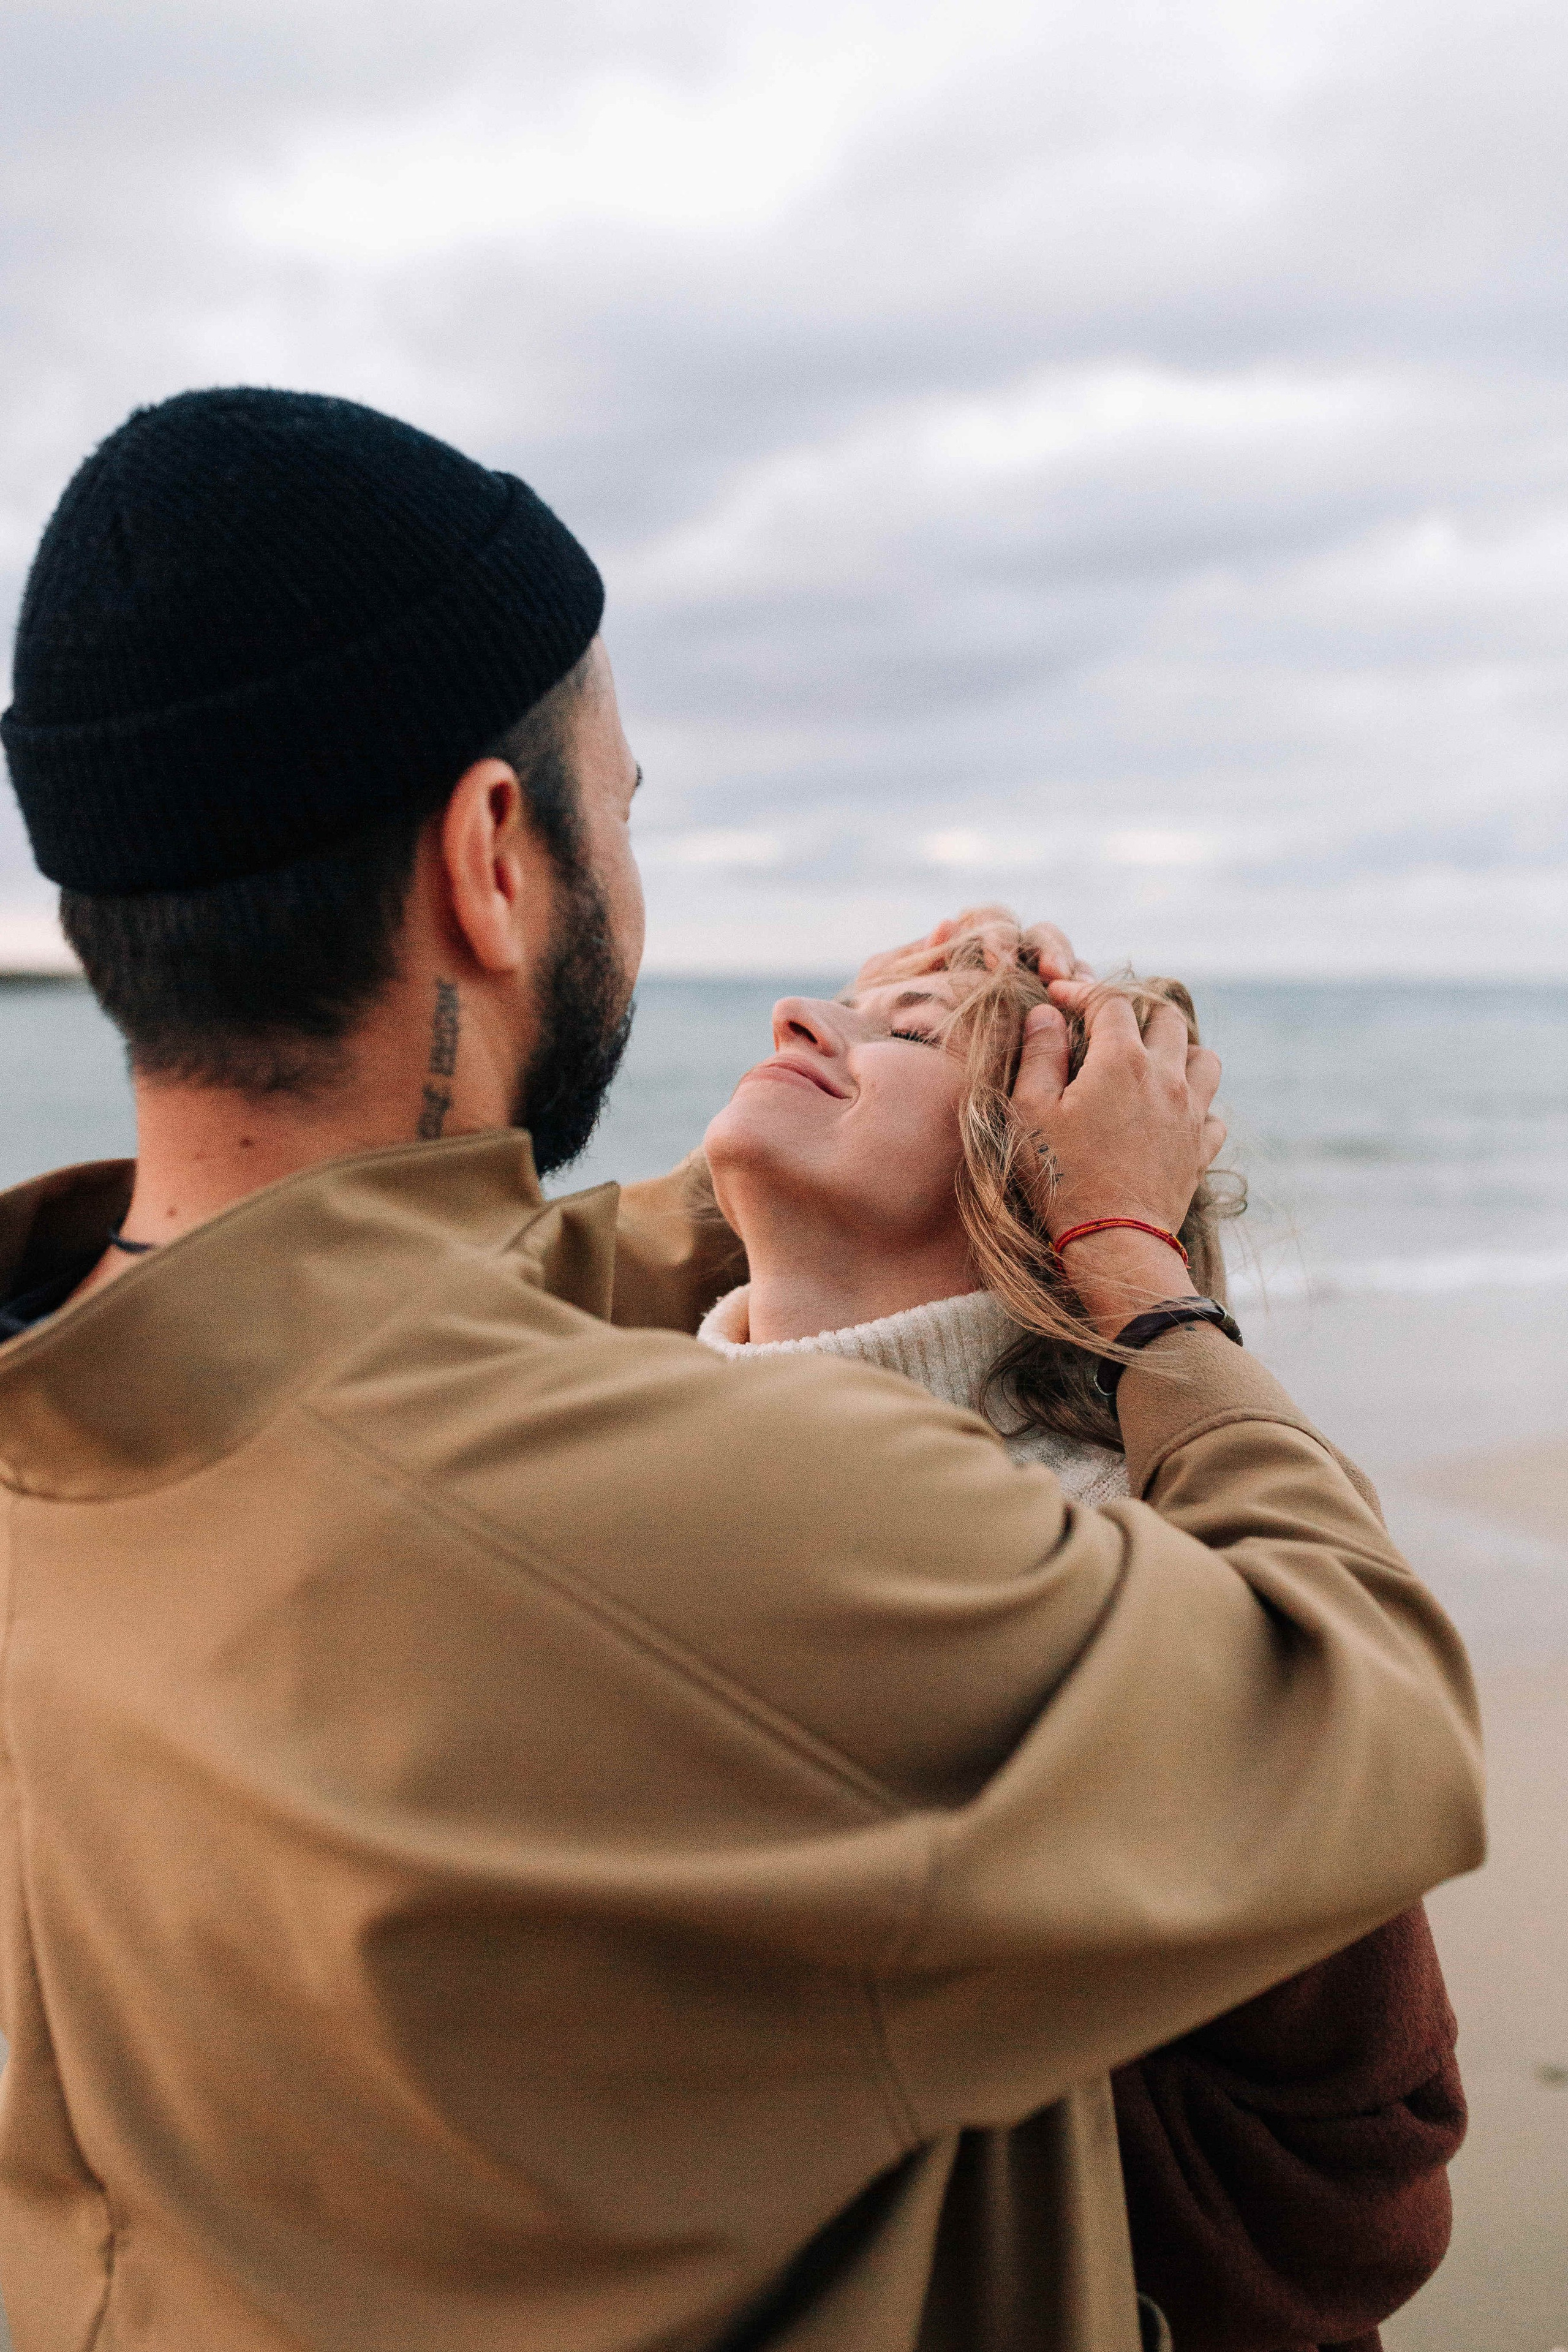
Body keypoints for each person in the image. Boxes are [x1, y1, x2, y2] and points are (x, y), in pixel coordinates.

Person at [0, 388, 1483, 2352]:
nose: (793, 999)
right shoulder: (765, 1537)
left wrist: (780, 1190)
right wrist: (1122, 1256)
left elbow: (368, 1313)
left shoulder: (82, 1424)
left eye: (898, 1026)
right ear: (492, 858)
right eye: (623, 805)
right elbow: (1367, 1715)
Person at [698, 917, 1469, 2351]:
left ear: (1033, 1176)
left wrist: (1116, 1241)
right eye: (848, 1006)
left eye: (914, 1038)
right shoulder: (591, 1455)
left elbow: (1354, 2167)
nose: (801, 1015)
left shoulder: (1140, 1581)